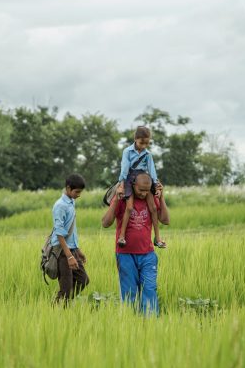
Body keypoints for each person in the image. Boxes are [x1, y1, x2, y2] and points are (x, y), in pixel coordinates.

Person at [102, 172, 170, 315]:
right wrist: (116, 198)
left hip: (148, 254)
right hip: (125, 255)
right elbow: (106, 223)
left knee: (150, 289)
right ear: (133, 186)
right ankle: (130, 323)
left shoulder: (151, 200)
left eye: (147, 190)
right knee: (129, 292)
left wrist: (162, 197)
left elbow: (165, 220)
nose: (144, 194)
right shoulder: (123, 199)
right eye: (141, 190)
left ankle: (150, 326)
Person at [116, 126, 167, 249]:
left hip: (144, 178)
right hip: (130, 178)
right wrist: (121, 184)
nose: (144, 146)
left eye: (147, 143)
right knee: (129, 207)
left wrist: (155, 185)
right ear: (135, 139)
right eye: (141, 143)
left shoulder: (148, 154)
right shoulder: (127, 151)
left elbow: (152, 170)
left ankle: (157, 238)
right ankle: (122, 236)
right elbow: (124, 168)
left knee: (153, 208)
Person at [51, 174, 89, 304]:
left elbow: (71, 231)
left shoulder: (71, 202)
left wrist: (77, 250)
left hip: (71, 250)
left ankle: (64, 304)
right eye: (77, 191)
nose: (79, 194)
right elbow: (59, 233)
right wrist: (69, 256)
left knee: (83, 280)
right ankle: (57, 310)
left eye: (80, 192)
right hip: (63, 252)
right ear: (68, 188)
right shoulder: (60, 205)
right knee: (66, 289)